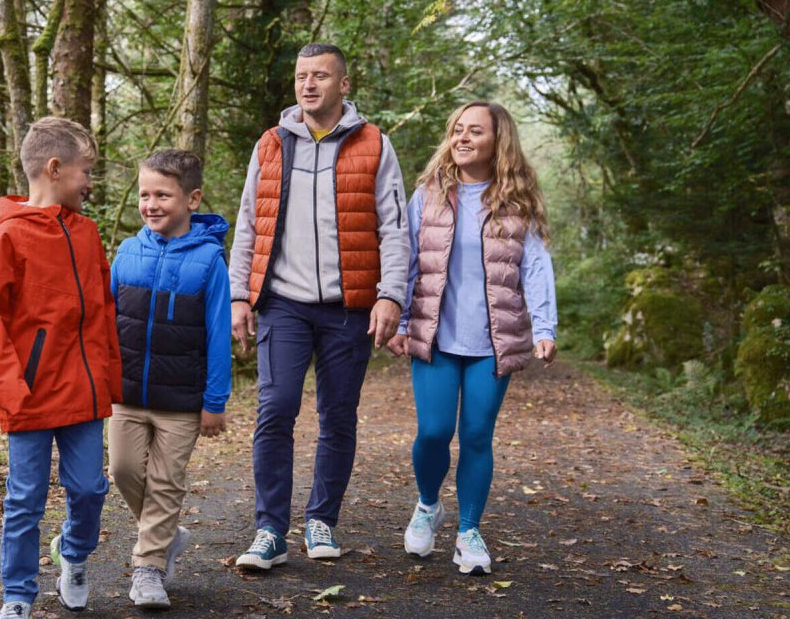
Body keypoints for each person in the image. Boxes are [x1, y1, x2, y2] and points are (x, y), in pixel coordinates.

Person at [227, 42, 409, 569]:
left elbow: (394, 228)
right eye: (302, 76)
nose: (309, 85)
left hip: (349, 307)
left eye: (321, 76)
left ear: (343, 84)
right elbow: (248, 225)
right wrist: (240, 294)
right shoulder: (271, 144)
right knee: (276, 408)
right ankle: (269, 531)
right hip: (283, 302)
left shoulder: (375, 144)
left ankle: (322, 519)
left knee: (338, 415)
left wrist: (390, 294)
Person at [387, 101, 558, 576]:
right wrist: (400, 321)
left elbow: (536, 267)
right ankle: (427, 504)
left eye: (474, 131)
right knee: (434, 432)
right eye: (457, 130)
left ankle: (468, 530)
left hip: (492, 342)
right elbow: (405, 259)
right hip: (436, 336)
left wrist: (544, 329)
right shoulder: (429, 195)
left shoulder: (517, 203)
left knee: (478, 436)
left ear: (497, 142)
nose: (462, 137)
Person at [0, 117, 122, 619]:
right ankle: (17, 596)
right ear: (55, 169)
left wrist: (108, 379)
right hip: (30, 395)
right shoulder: (7, 238)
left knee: (90, 488)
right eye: (85, 172)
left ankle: (73, 557)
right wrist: (11, 391)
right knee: (25, 500)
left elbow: (102, 312)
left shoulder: (88, 234)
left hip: (83, 393)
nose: (90, 183)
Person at [108, 149, 231, 609]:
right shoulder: (127, 252)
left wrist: (214, 401)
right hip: (126, 394)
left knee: (164, 482)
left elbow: (218, 336)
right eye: (144, 194)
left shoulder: (209, 262)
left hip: (181, 400)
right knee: (121, 469)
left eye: (163, 194)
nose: (151, 204)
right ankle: (164, 534)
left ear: (191, 199)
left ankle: (149, 568)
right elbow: (106, 320)